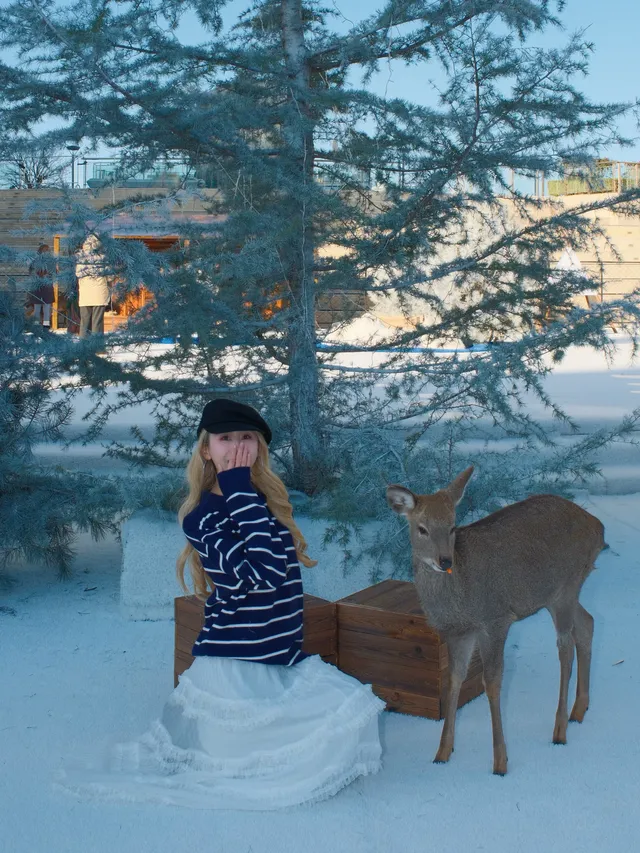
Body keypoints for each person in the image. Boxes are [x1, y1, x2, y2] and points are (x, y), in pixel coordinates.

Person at [63, 399, 384, 810]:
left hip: (277, 656)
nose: (235, 447)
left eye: (246, 438)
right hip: (237, 668)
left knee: (355, 711)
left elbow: (282, 577)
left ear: (259, 450)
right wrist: (236, 485)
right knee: (272, 758)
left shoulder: (256, 498)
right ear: (205, 449)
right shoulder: (202, 516)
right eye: (225, 438)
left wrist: (242, 489)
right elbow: (264, 573)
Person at [76, 234, 110, 337]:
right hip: (99, 294)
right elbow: (109, 276)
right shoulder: (103, 258)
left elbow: (78, 274)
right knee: (97, 322)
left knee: (84, 322)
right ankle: (97, 346)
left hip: (85, 294)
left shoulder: (81, 258)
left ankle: (83, 346)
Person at [27, 244, 54, 326]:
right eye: (46, 250)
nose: (47, 252)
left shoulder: (50, 261)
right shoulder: (36, 261)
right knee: (38, 308)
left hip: (46, 287)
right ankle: (37, 325)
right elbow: (32, 272)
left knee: (46, 308)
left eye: (48, 250)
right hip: (38, 287)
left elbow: (54, 272)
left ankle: (45, 325)